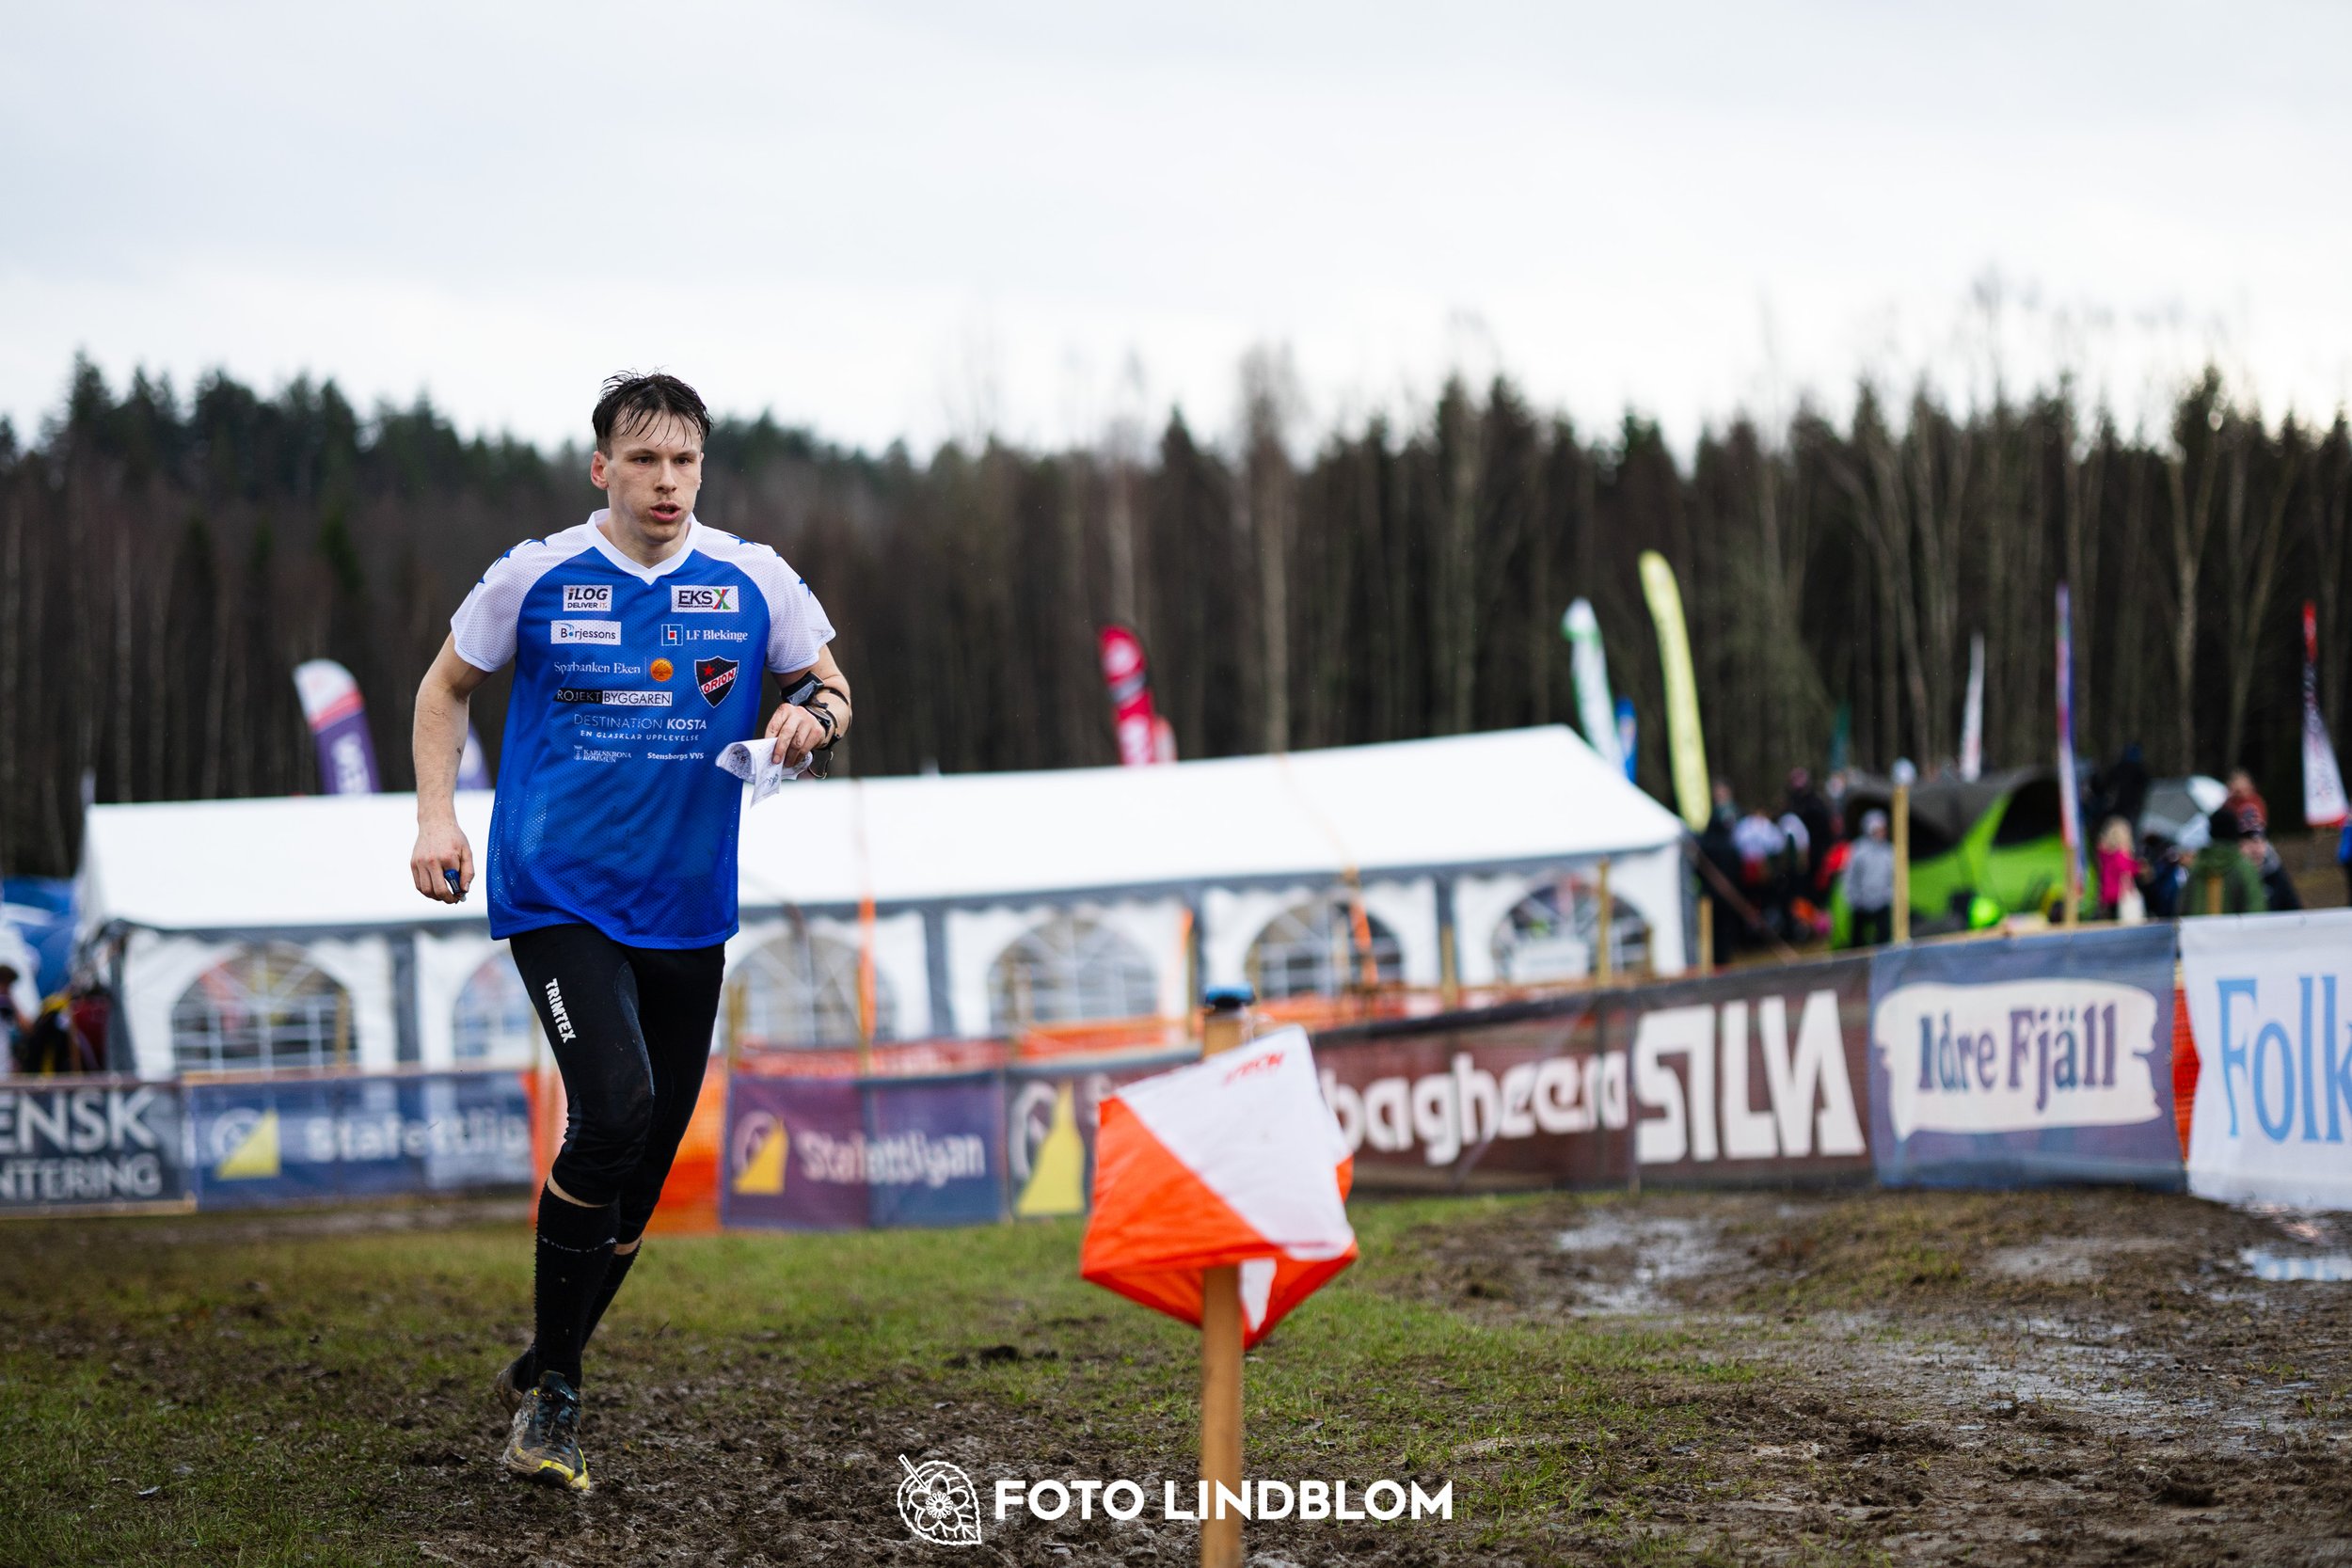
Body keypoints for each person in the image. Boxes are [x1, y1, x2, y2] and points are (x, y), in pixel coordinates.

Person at [407, 372, 850, 1494]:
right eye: (644, 460)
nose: (666, 481)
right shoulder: (536, 571)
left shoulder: (754, 579)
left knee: (641, 1175)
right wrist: (435, 817)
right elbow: (444, 687)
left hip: (686, 904)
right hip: (556, 887)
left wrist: (809, 718)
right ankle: (556, 1399)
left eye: (685, 461)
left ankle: (546, 1355)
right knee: (615, 1107)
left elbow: (834, 689)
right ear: (601, 466)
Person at [2188, 808, 2265, 915]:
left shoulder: (2196, 868)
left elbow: (2183, 909)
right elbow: (2256, 910)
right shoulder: (2244, 868)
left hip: (2198, 931)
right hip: (2234, 931)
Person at [1843, 809, 1897, 947]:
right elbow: (1850, 876)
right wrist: (1853, 898)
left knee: (1884, 937)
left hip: (1882, 902)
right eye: (1878, 830)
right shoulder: (1858, 850)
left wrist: (1889, 895)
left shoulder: (1889, 852)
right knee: (1857, 939)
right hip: (1861, 903)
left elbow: (1894, 877)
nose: (1882, 833)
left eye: (1883, 829)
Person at [2093, 816, 2144, 922]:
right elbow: (2127, 870)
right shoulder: (2120, 855)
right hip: (2119, 897)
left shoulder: (2103, 853)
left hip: (2105, 896)